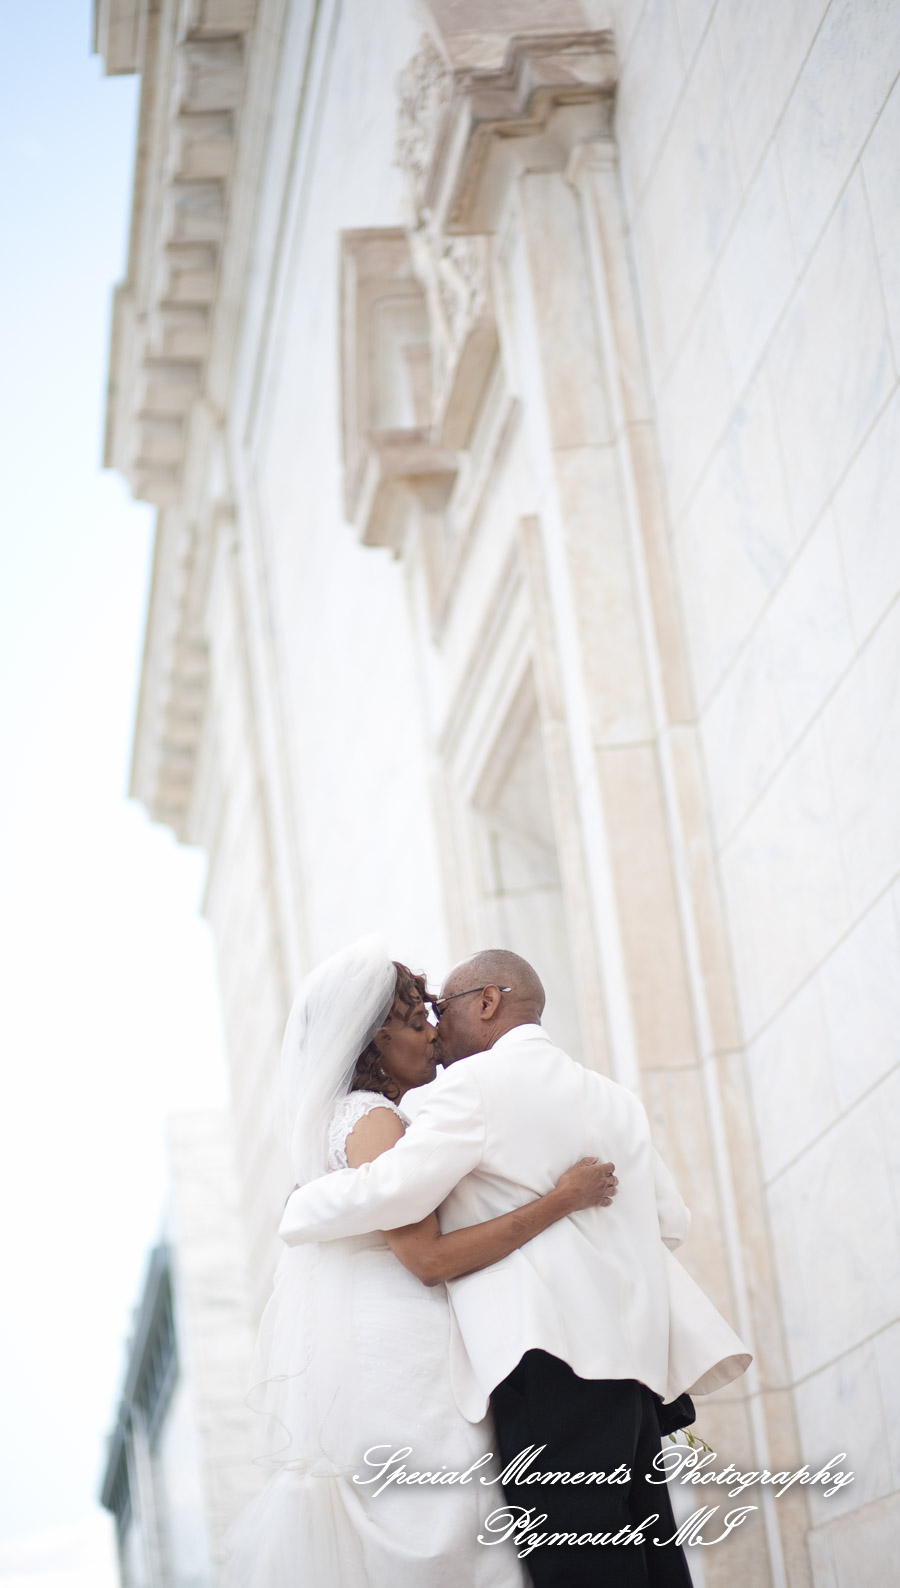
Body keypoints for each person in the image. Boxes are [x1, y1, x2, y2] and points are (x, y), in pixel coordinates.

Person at [280, 947, 753, 1588]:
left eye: (440, 1011)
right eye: (422, 1016)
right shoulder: (615, 1099)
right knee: (654, 1564)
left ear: (487, 1002)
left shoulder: (466, 1092)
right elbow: (669, 1224)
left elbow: (389, 1188)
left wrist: (302, 1207)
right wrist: (578, 1223)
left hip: (546, 1364)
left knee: (579, 1565)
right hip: (634, 1372)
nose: (436, 1028)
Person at [224, 937, 618, 1588]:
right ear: (373, 1041)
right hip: (403, 1358)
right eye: (414, 1023)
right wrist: (561, 1201)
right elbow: (429, 1258)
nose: (434, 1035)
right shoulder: (375, 1119)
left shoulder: (335, 1120)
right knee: (454, 1540)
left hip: (363, 1355)